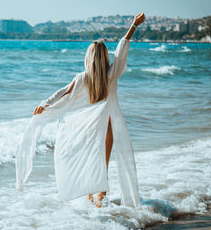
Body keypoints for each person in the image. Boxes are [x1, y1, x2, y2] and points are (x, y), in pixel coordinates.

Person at [16, 12, 145, 209]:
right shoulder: (112, 73)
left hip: (89, 126)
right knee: (103, 161)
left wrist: (45, 104)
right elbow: (122, 48)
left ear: (89, 58)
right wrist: (134, 26)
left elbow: (62, 93)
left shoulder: (83, 77)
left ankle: (92, 197)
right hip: (107, 125)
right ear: (104, 58)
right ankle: (99, 197)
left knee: (90, 159)